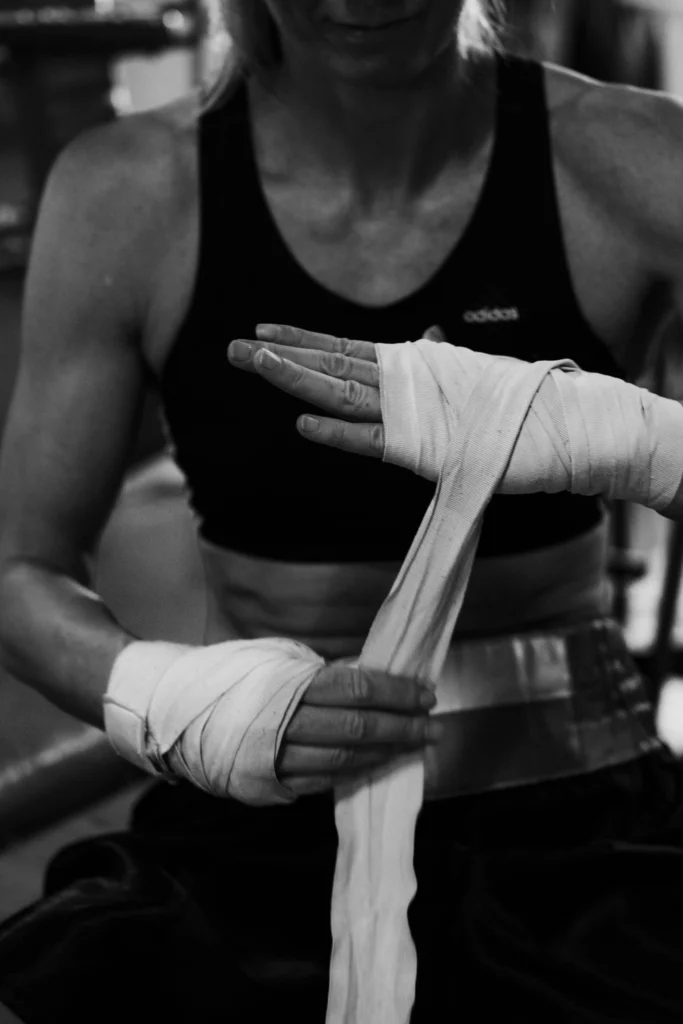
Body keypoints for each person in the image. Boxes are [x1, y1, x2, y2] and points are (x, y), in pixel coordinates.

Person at [2, 0, 683, 1020]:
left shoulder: (634, 156)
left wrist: (638, 441)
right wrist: (181, 699)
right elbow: (22, 570)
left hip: (586, 824)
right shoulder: (128, 191)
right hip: (249, 820)